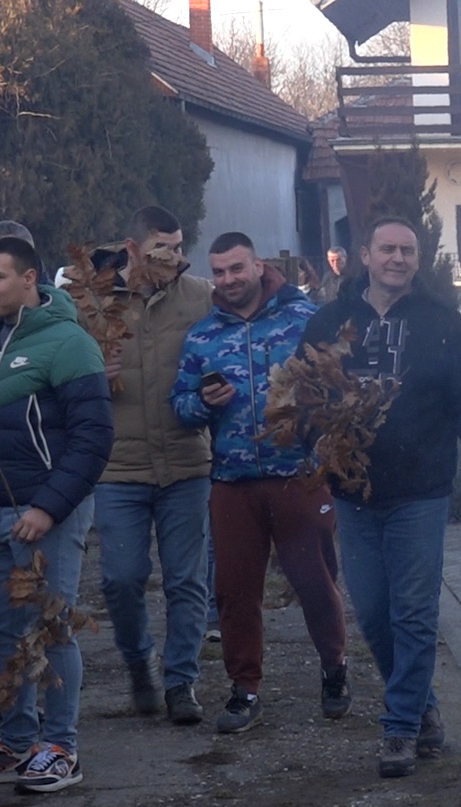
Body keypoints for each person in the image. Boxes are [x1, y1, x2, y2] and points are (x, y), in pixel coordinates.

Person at [301, 217, 461, 778]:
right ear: (365, 255)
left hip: (420, 491)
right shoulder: (329, 322)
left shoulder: (442, 326)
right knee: (372, 612)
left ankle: (400, 727)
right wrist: (311, 438)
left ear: (419, 259)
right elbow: (299, 398)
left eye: (407, 250)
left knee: (414, 611)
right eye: (386, 248)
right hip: (353, 494)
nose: (397, 258)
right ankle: (423, 708)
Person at [0, 237, 110, 793]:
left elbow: (92, 440)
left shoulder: (69, 344)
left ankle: (61, 747)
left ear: (30, 279)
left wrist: (47, 506)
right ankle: (17, 742)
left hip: (45, 515)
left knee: (51, 628)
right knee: (2, 631)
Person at [174, 232, 350, 733]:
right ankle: (244, 689)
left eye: (237, 269)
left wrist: (319, 417)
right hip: (232, 481)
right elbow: (180, 405)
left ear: (257, 267)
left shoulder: (302, 320)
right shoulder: (203, 336)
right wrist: (202, 403)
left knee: (315, 581)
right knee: (234, 591)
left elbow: (340, 383)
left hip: (297, 474)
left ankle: (335, 668)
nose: (229, 280)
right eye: (220, 272)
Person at [87, 206, 214, 724]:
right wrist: (93, 370)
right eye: (165, 248)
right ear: (133, 249)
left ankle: (181, 681)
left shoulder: (200, 297)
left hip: (187, 461)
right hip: (118, 466)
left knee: (187, 581)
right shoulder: (91, 303)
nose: (177, 258)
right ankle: (140, 663)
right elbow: (57, 377)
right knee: (120, 578)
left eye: (181, 246)